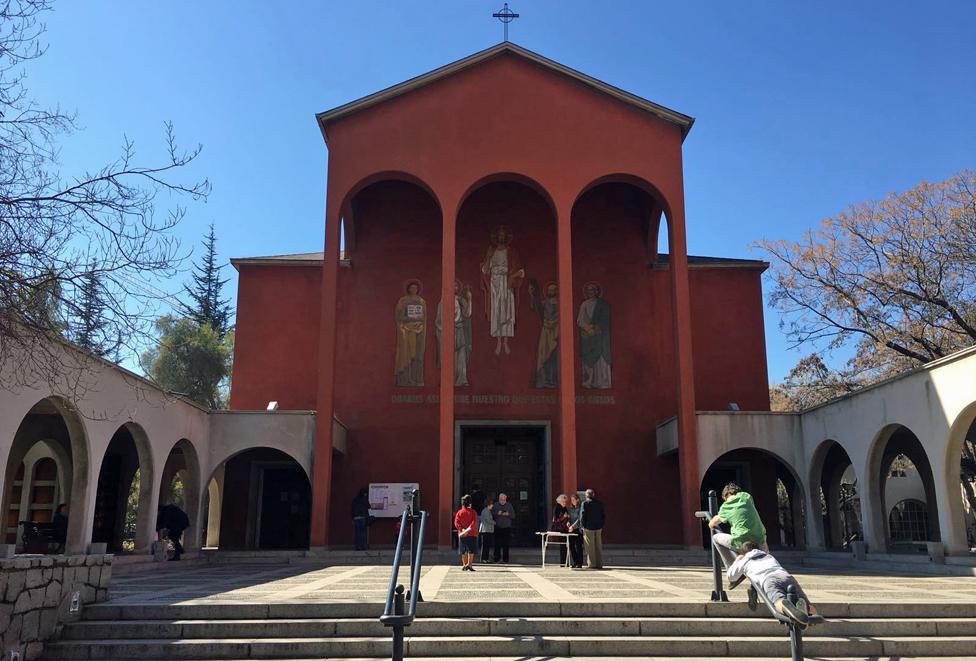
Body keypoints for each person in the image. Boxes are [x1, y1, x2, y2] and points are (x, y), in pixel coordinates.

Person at [727, 541, 819, 626]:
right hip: (785, 576)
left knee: (777, 600)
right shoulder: (768, 556)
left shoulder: (745, 560)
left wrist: (737, 560)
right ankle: (811, 613)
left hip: (768, 580)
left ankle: (786, 606)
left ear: (743, 553)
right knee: (807, 604)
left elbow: (731, 577)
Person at [707, 482, 768, 569]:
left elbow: (713, 523)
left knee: (715, 538)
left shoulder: (726, 506)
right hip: (760, 540)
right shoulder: (747, 497)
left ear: (725, 496)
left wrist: (710, 522)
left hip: (741, 542)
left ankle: (734, 568)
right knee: (761, 566)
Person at [580, 488, 605, 569]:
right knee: (598, 545)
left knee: (590, 546)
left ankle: (592, 564)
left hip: (588, 527)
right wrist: (601, 525)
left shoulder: (585, 503)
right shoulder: (599, 503)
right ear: (593, 495)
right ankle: (599, 563)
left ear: (586, 495)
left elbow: (582, 516)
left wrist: (582, 526)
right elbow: (603, 515)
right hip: (598, 527)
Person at [454, 494, 478, 571]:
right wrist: (468, 530)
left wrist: (462, 530)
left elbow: (456, 522)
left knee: (463, 550)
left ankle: (464, 564)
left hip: (462, 534)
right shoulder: (473, 512)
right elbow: (474, 522)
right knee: (471, 550)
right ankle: (469, 564)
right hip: (472, 533)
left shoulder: (459, 512)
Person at [492, 493, 516, 563]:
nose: (502, 501)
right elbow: (491, 514)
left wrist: (508, 514)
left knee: (506, 544)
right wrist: (497, 513)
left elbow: (513, 515)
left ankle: (505, 559)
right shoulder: (495, 505)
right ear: (499, 499)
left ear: (506, 499)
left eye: (503, 499)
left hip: (507, 527)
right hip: (498, 527)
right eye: (501, 499)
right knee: (497, 544)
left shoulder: (509, 505)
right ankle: (496, 558)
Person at [551, 494, 571, 566]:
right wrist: (563, 517)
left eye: (565, 501)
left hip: (565, 529)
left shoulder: (564, 508)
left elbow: (567, 517)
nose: (565, 503)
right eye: (563, 501)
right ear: (559, 501)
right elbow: (555, 520)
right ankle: (563, 563)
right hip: (559, 529)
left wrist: (568, 521)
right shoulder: (557, 508)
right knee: (562, 546)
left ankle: (565, 562)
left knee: (566, 546)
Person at [566, 493, 584, 568]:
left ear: (577, 500)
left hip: (577, 529)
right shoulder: (571, 508)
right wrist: (568, 522)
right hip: (571, 529)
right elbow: (569, 517)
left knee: (578, 546)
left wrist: (573, 526)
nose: (572, 501)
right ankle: (575, 561)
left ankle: (580, 563)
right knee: (571, 545)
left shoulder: (580, 508)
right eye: (571, 500)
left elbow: (579, 519)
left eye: (573, 500)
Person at [479, 495, 495, 563]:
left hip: (488, 530)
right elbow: (488, 520)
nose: (492, 506)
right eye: (491, 504)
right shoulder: (485, 511)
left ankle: (486, 558)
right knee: (485, 545)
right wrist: (494, 522)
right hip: (485, 530)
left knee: (487, 545)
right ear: (488, 505)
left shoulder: (488, 511)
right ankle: (483, 558)